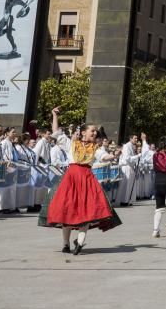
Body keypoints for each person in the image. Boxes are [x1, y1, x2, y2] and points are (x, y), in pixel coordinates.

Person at [39, 107, 121, 253]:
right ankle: (66, 244)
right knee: (67, 210)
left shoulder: (95, 147)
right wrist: (54, 116)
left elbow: (103, 157)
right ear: (83, 132)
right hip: (71, 178)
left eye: (95, 131)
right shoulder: (71, 143)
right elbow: (56, 132)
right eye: (92, 131)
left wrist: (114, 154)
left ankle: (80, 242)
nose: (95, 133)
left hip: (86, 179)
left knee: (87, 211)